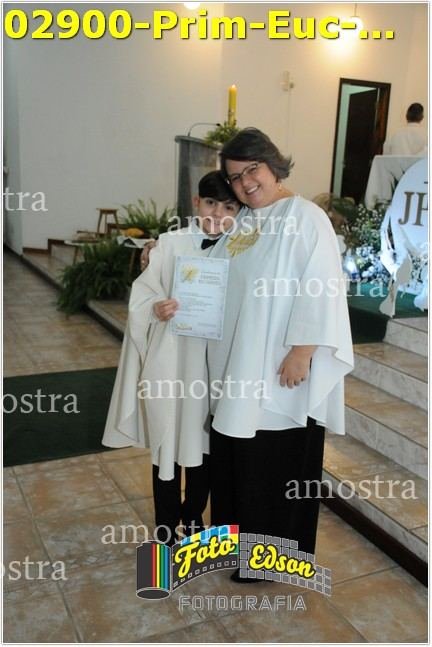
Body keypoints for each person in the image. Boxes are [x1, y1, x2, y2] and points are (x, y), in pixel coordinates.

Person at [207, 128, 354, 580]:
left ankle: (272, 562)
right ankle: (237, 550)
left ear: (273, 165)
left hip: (279, 369)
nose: (245, 182)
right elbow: (215, 270)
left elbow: (323, 285)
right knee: (239, 460)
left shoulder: (306, 216)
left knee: (273, 464)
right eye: (235, 177)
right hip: (240, 365)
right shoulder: (248, 220)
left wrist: (302, 351)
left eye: (252, 169)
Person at [103, 171, 241, 544]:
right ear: (196, 203)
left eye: (229, 207)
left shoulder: (241, 248)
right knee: (167, 439)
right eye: (210, 203)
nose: (217, 214)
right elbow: (142, 296)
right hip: (173, 362)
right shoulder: (169, 244)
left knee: (202, 444)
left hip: (212, 366)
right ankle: (165, 524)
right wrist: (155, 308)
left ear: (239, 211)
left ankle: (193, 516)